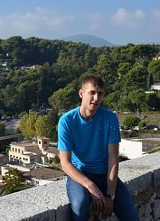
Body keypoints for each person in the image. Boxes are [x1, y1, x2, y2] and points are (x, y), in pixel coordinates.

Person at [58, 75, 139, 221]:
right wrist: (90, 187)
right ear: (81, 93)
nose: (96, 98)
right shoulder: (67, 121)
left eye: (100, 93)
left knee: (131, 216)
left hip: (104, 175)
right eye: (92, 93)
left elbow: (113, 159)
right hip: (80, 176)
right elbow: (65, 163)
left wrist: (110, 195)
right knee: (80, 206)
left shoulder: (110, 118)